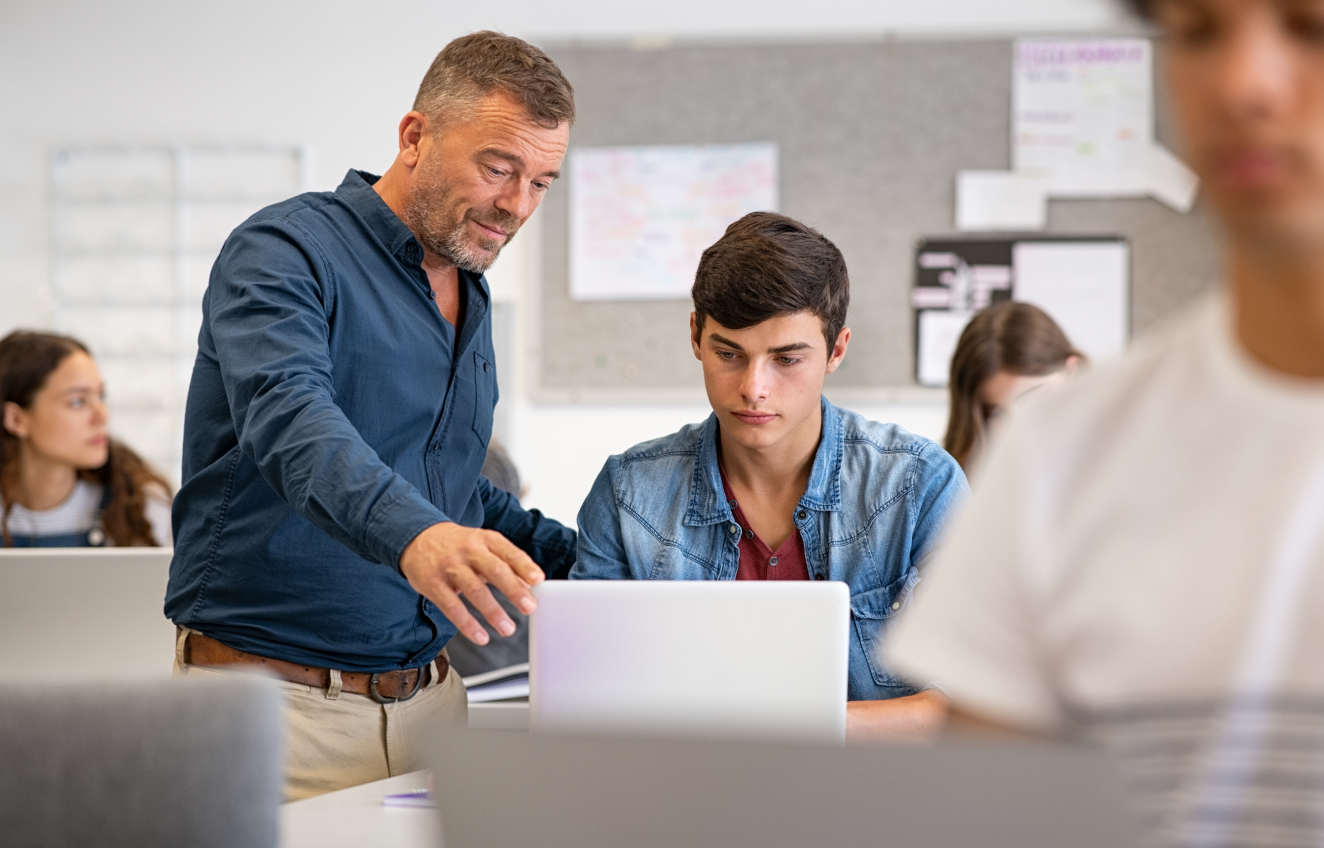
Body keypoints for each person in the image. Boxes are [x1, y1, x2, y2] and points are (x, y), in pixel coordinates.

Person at [886, 0, 1324, 844]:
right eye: (1197, 31)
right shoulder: (1059, 455)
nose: (1242, 83)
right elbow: (988, 820)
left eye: (1310, 26)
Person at [165, 32, 578, 800]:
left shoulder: (468, 292)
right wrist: (416, 537)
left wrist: (594, 565)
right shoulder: (286, 249)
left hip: (435, 713)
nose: (516, 206)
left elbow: (447, 486)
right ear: (415, 136)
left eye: (541, 182)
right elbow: (290, 420)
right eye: (498, 167)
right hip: (278, 716)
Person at [573, 212, 969, 741]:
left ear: (837, 350)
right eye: (729, 354)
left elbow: (974, 702)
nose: (754, 388)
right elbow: (585, 698)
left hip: (877, 798)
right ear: (696, 335)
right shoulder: (628, 495)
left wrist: (789, 730)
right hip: (689, 796)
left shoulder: (920, 485)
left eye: (786, 359)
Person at [0, 330, 171, 548]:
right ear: (16, 419)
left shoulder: (139, 508)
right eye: (78, 402)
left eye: (101, 396)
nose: (102, 415)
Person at [942, 301, 1082, 471]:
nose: (1019, 429)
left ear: (1073, 371)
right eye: (996, 414)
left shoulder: (1114, 457)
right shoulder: (945, 478)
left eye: (1034, 401)